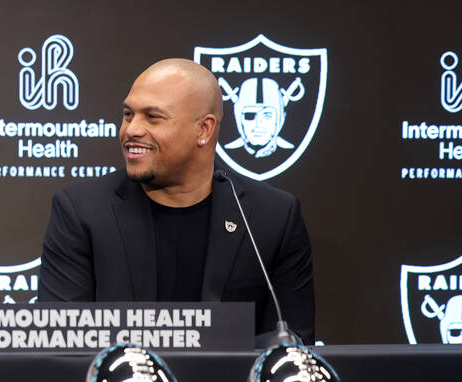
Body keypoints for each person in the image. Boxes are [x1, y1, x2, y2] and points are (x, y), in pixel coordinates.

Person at [39, 58, 315, 343]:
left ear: (204, 130)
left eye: (153, 117)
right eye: (128, 114)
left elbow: (290, 349)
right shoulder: (81, 211)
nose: (131, 130)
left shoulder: (273, 217)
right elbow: (62, 346)